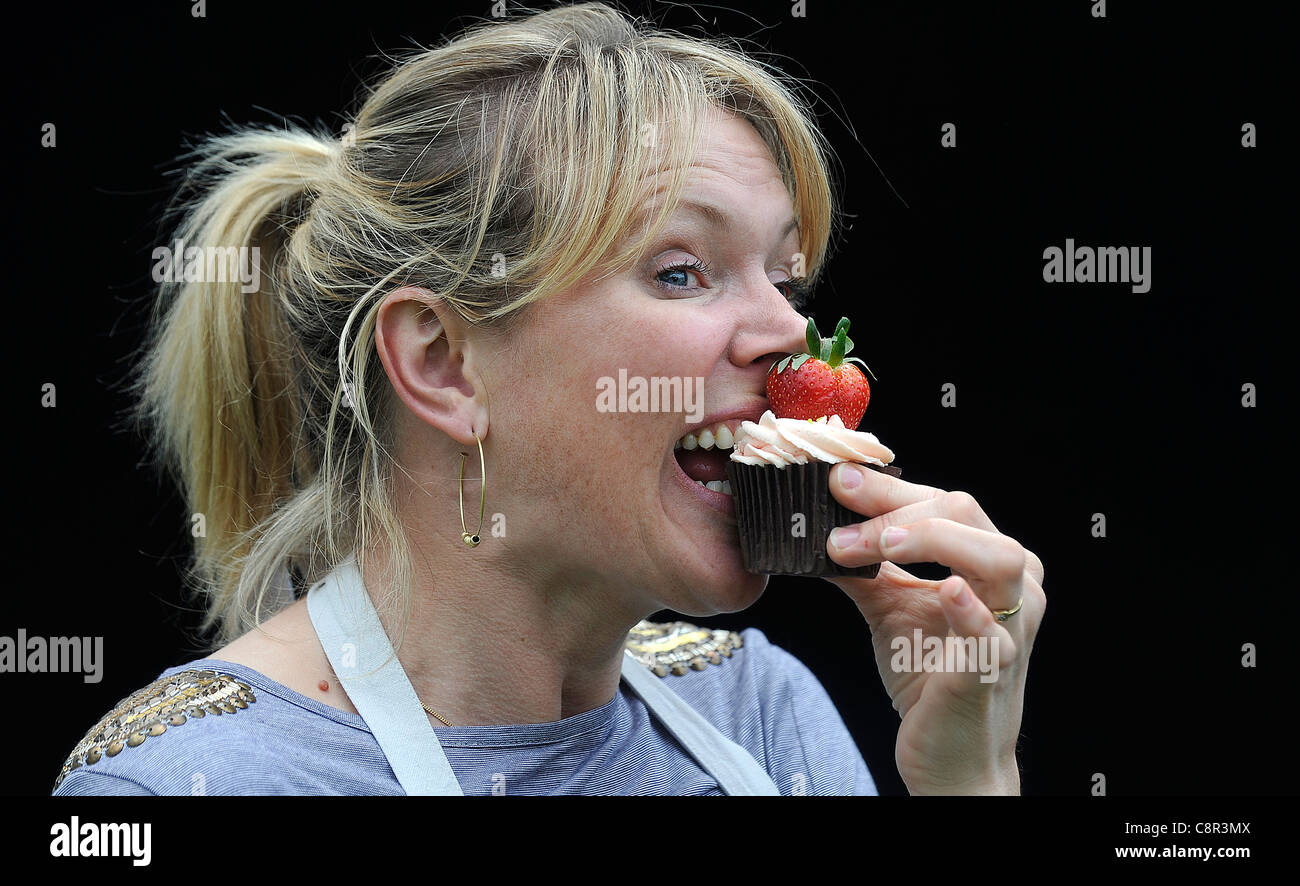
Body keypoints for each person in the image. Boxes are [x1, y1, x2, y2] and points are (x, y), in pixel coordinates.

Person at [51, 1, 1045, 796]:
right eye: (682, 271)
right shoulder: (183, 784)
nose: (789, 333)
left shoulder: (762, 708)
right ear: (443, 363)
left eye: (782, 278)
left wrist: (970, 776)